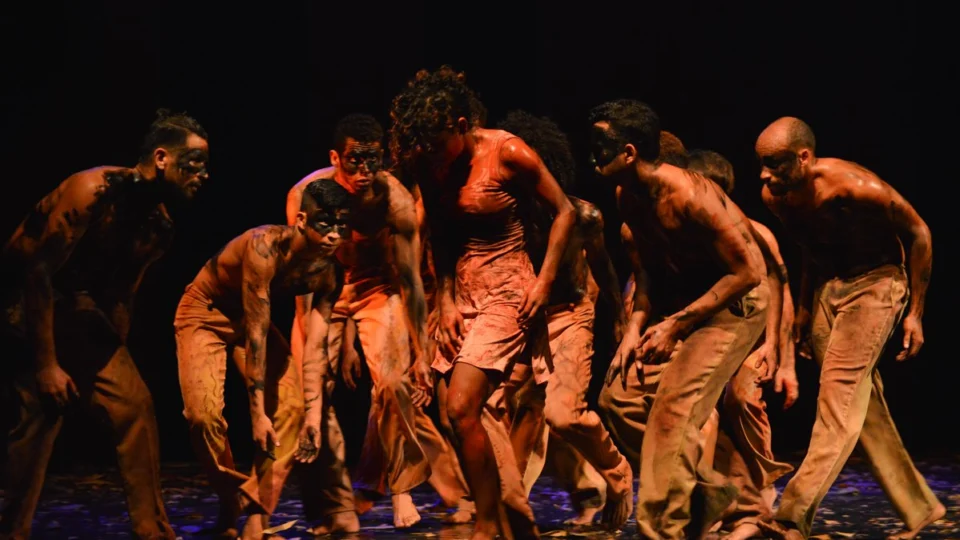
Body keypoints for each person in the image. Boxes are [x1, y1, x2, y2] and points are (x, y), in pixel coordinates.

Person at [0, 109, 209, 539]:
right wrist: (46, 365)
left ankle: (153, 530)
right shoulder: (92, 190)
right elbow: (37, 272)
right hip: (21, 300)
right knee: (41, 417)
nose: (202, 175)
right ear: (161, 158)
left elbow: (120, 297)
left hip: (78, 309)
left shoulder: (159, 227)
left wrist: (112, 362)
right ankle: (12, 530)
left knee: (134, 405)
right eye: (194, 164)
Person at [390, 65, 577, 540]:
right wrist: (446, 298)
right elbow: (442, 235)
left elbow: (565, 212)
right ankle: (499, 516)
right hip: (465, 289)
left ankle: (489, 521)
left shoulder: (507, 152)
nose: (429, 156)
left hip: (509, 285)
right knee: (461, 412)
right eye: (422, 148)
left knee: (461, 405)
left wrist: (544, 283)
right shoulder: (427, 163)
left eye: (436, 144)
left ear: (459, 126)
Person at [753, 117, 944, 540]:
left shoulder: (856, 187)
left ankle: (790, 517)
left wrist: (915, 311)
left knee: (838, 397)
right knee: (862, 402)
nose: (765, 175)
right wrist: (803, 311)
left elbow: (919, 233)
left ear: (803, 157)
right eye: (762, 165)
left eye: (775, 164)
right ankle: (920, 507)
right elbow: (810, 248)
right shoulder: (776, 196)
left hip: (878, 283)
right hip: (828, 287)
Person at [589, 99, 769, 539]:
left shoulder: (691, 195)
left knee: (674, 411)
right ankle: (705, 496)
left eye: (602, 146)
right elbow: (646, 273)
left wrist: (677, 325)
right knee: (619, 398)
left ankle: (663, 529)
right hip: (685, 304)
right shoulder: (626, 197)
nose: (592, 155)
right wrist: (634, 327)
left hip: (733, 306)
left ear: (629, 153)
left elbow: (750, 272)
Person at [286, 113, 472, 528]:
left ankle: (401, 491)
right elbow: (303, 275)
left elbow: (409, 281)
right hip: (324, 292)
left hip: (376, 288)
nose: (364, 172)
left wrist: (421, 352)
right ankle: (331, 504)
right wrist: (308, 340)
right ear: (336, 157)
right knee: (310, 392)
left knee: (392, 384)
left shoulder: (396, 200)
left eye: (372, 161)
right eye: (354, 161)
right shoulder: (306, 194)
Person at [174, 179, 352, 539]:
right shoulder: (264, 247)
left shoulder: (330, 272)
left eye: (341, 225)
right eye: (324, 223)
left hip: (252, 322)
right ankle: (230, 498)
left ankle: (257, 510)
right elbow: (256, 333)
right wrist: (257, 415)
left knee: (291, 408)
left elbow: (316, 348)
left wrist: (314, 418)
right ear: (301, 220)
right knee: (203, 417)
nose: (334, 235)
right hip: (206, 314)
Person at [490, 110, 632, 529]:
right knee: (500, 404)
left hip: (569, 313)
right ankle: (509, 502)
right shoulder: (505, 213)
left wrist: (620, 319)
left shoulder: (582, 216)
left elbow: (604, 268)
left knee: (564, 414)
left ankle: (617, 472)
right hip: (522, 318)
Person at [686, 147, 798, 539]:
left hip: (755, 339)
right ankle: (722, 502)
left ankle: (760, 496)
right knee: (701, 414)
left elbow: (780, 292)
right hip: (711, 339)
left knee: (741, 397)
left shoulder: (755, 232)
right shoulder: (689, 236)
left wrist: (780, 356)